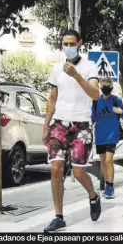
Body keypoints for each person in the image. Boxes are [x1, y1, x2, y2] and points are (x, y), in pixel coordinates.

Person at [42, 29, 101, 233]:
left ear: (80, 44)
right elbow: (52, 99)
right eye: (65, 44)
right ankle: (59, 217)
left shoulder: (89, 66)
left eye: (72, 43)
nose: (68, 47)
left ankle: (93, 195)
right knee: (56, 169)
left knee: (78, 171)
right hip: (59, 123)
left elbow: (95, 94)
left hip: (81, 124)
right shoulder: (56, 68)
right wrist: (45, 126)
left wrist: (76, 75)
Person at [92, 77, 123, 199]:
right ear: (100, 87)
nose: (105, 88)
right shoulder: (96, 101)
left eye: (108, 86)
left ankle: (110, 186)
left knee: (108, 160)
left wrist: (120, 111)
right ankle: (107, 182)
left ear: (112, 87)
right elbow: (92, 118)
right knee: (103, 161)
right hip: (100, 135)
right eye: (103, 86)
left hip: (112, 135)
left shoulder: (116, 100)